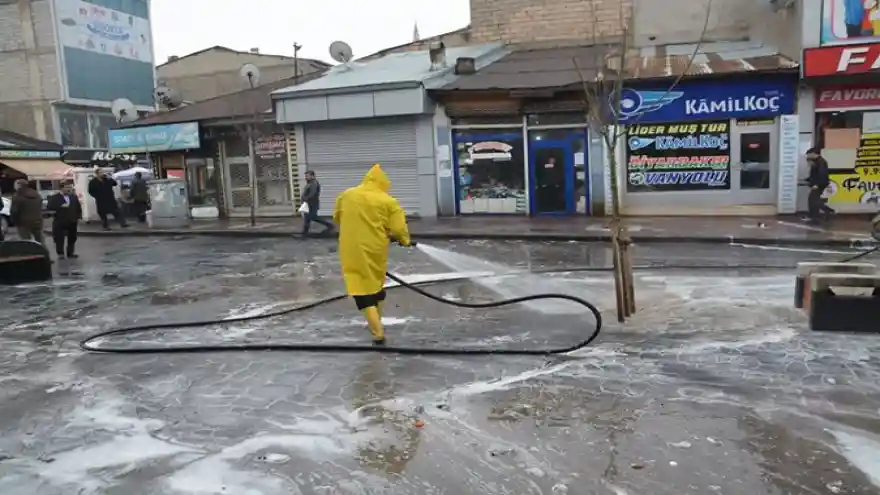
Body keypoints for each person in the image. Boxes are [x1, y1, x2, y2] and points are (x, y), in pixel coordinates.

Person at [334, 164, 412, 345]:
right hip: (376, 248)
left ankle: (376, 329)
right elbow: (399, 228)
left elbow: (337, 217)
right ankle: (377, 322)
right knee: (375, 283)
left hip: (351, 247)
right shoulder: (388, 201)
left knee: (359, 286)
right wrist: (405, 240)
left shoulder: (347, 195)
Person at [46, 181, 81, 259]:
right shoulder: (55, 197)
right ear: (62, 188)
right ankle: (60, 253)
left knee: (72, 238)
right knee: (59, 238)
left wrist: (78, 216)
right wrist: (60, 206)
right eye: (67, 187)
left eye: (70, 187)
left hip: (72, 221)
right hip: (60, 221)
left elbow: (78, 207)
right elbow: (49, 207)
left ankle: (70, 253)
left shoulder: (73, 197)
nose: (69, 189)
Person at [9, 179, 46, 247]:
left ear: (19, 185)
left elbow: (14, 211)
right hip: (37, 220)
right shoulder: (36, 194)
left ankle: (30, 255)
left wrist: (14, 221)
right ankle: (44, 254)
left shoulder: (18, 195)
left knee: (26, 242)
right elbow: (40, 206)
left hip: (23, 222)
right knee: (40, 240)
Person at [300, 170, 334, 237]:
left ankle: (330, 225)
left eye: (307, 176)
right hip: (308, 203)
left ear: (312, 176)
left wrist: (305, 198)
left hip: (312, 203)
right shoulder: (309, 183)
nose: (306, 177)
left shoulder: (314, 183)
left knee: (313, 217)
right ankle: (304, 234)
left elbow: (312, 194)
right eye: (305, 176)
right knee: (307, 218)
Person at [805, 147, 832, 225]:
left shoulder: (821, 162)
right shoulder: (817, 162)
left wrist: (817, 184)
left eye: (809, 154)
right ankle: (815, 215)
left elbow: (822, 175)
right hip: (819, 184)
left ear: (814, 154)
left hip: (820, 184)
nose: (808, 156)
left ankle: (822, 213)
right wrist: (809, 180)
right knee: (813, 200)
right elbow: (815, 174)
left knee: (813, 200)